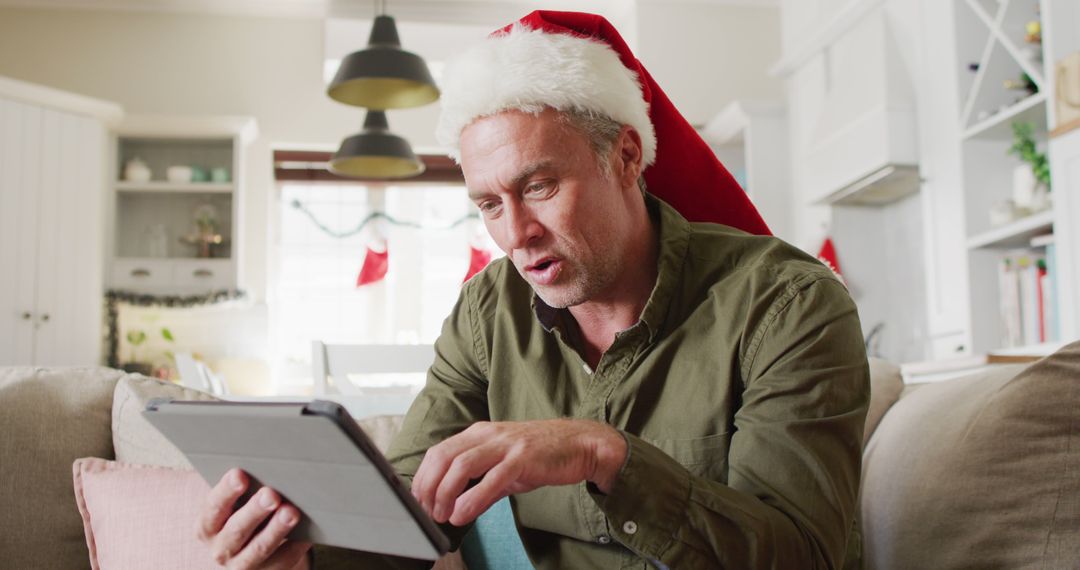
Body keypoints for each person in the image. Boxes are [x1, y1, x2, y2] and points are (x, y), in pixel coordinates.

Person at [197, 10, 869, 569]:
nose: (515, 234)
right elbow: (413, 507)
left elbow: (804, 555)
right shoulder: (490, 310)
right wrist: (304, 556)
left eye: (539, 187)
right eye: (488, 204)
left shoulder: (788, 305)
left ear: (627, 157)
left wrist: (606, 455)